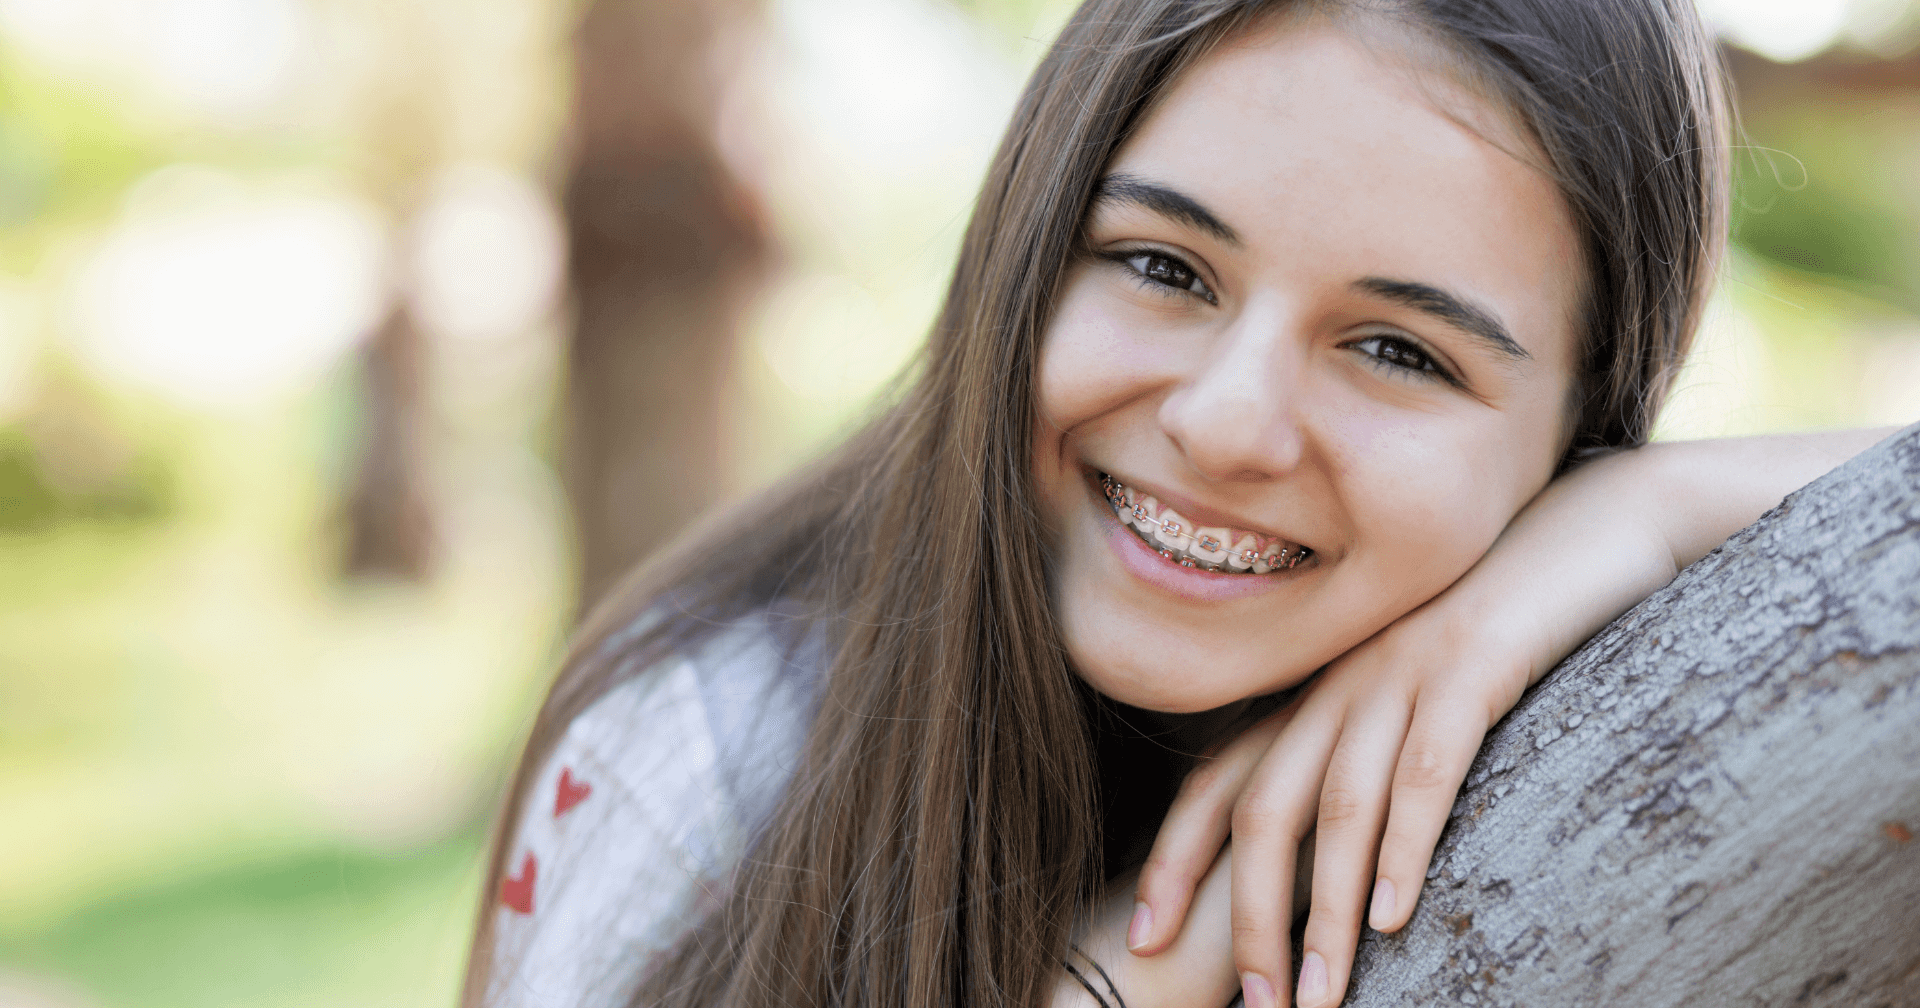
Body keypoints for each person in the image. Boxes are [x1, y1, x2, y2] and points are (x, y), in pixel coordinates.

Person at [464, 1, 1898, 1007]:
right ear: (1031, 248)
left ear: (1574, 431)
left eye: (1398, 350)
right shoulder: (710, 739)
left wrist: (1644, 516)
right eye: (1164, 267)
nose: (1223, 421)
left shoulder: (1631, 696)